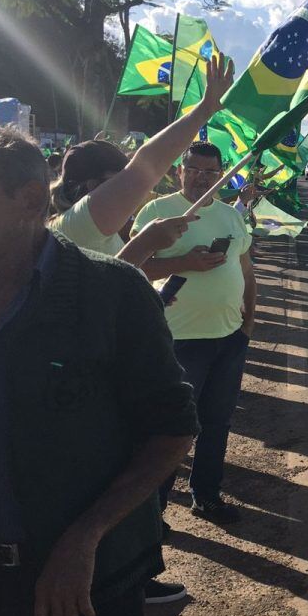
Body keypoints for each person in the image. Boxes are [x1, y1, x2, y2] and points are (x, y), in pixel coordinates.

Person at [0, 128, 198, 616]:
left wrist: (85, 537)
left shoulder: (111, 293)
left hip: (84, 592)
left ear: (31, 200)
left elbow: (171, 431)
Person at [132, 140, 256, 525]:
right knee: (172, 430)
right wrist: (188, 262)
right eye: (195, 170)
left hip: (229, 338)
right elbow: (134, 267)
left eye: (211, 173)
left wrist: (248, 323)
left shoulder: (231, 217)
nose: (203, 178)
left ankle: (207, 496)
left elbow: (247, 271)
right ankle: (155, 510)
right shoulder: (158, 212)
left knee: (217, 423)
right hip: (179, 340)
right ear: (179, 172)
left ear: (221, 176)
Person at [49, 54, 233, 257]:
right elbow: (147, 165)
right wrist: (205, 108)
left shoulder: (81, 229)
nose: (132, 188)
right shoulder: (79, 224)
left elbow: (108, 279)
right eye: (119, 179)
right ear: (93, 187)